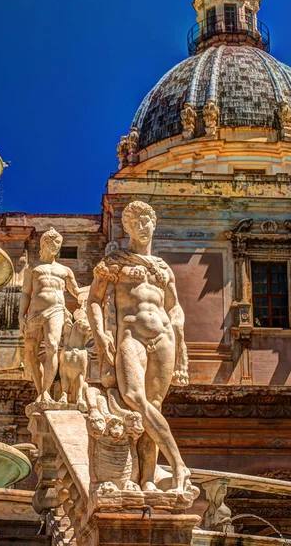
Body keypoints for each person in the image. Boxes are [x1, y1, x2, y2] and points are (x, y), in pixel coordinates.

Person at [87, 200, 193, 499]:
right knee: (135, 398)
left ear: (154, 224)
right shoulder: (115, 262)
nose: (141, 228)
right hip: (130, 334)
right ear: (126, 228)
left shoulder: (162, 268)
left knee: (154, 406)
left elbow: (174, 307)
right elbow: (94, 300)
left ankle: (147, 478)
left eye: (145, 222)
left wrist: (181, 342)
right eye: (134, 223)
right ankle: (179, 464)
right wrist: (100, 335)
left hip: (164, 337)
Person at [19, 227, 87, 403]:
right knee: (31, 353)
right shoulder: (32, 268)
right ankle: (40, 389)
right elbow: (26, 293)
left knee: (52, 346)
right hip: (34, 313)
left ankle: (45, 392)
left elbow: (77, 292)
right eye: (54, 242)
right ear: (44, 243)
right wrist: (21, 316)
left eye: (59, 243)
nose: (57, 246)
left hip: (56, 310)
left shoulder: (64, 271)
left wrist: (99, 286)